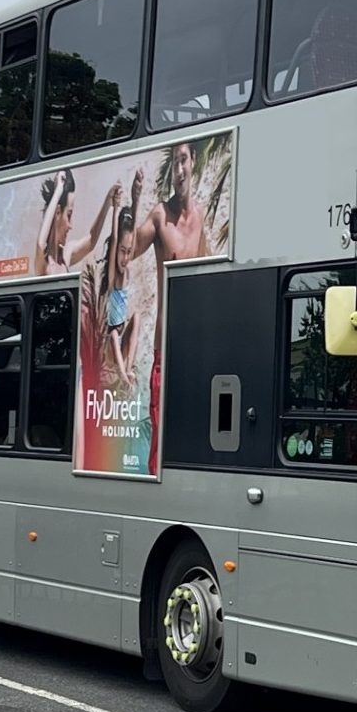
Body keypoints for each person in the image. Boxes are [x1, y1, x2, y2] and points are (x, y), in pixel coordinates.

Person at [129, 141, 210, 474]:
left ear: (193, 164)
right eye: (174, 163)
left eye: (183, 161)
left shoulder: (202, 215)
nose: (179, 170)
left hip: (197, 348)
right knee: (161, 445)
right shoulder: (161, 215)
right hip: (167, 348)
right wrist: (134, 202)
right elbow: (129, 248)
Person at [36, 168, 120, 277]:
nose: (71, 226)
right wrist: (58, 192)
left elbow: (91, 240)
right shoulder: (43, 264)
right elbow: (40, 245)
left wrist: (107, 202)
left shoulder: (66, 254)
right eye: (69, 215)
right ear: (57, 213)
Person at [103, 203, 140, 390]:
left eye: (128, 252)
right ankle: (124, 377)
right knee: (114, 334)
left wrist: (138, 197)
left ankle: (128, 368)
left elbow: (132, 237)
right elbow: (116, 238)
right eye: (121, 252)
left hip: (121, 338)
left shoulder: (127, 271)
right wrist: (115, 209)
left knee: (137, 317)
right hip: (111, 344)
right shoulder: (113, 277)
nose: (125, 258)